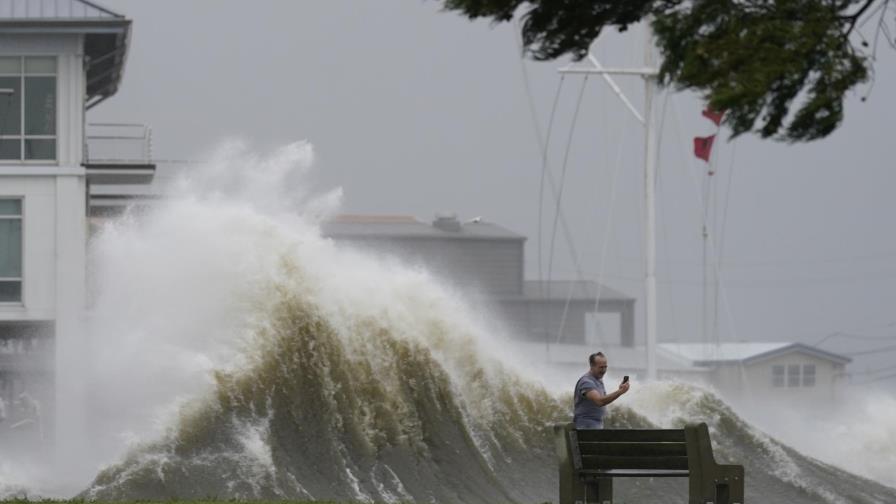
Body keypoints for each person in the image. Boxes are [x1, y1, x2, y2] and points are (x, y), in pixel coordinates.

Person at [573, 352, 630, 429]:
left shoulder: (598, 380)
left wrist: (619, 390)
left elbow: (603, 399)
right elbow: (599, 401)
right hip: (585, 426)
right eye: (601, 367)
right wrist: (620, 392)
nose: (604, 370)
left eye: (605, 367)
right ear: (592, 366)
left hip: (596, 424)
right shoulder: (586, 382)